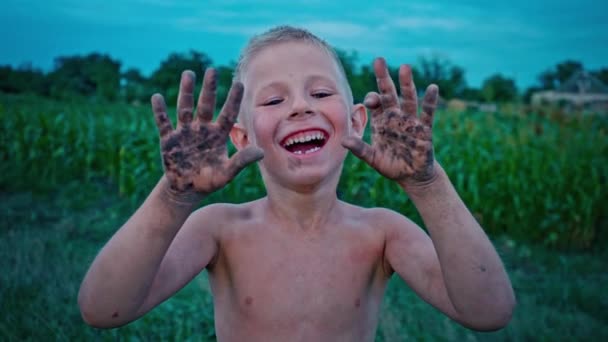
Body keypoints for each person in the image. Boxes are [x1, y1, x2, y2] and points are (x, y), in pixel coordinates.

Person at [78, 26, 515, 341]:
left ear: (357, 122)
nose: (301, 106)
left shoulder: (382, 233)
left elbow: (489, 311)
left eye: (321, 94)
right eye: (273, 100)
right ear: (242, 137)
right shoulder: (220, 229)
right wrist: (174, 197)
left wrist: (426, 184)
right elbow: (102, 309)